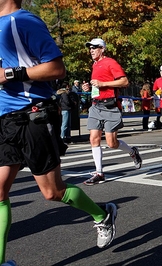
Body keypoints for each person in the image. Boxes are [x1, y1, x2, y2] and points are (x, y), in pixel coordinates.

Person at [0, 2, 117, 264]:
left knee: (52, 192)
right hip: (5, 120)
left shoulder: (23, 21)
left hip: (33, 115)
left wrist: (7, 74)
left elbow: (56, 69)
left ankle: (102, 214)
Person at [82, 38, 142, 185]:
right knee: (94, 139)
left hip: (110, 107)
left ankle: (132, 152)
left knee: (111, 143)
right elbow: (98, 86)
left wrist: (103, 84)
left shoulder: (110, 62)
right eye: (90, 48)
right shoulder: (95, 64)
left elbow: (124, 81)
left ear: (102, 49)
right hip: (96, 105)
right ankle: (99, 173)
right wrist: (89, 88)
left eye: (94, 47)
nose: (91, 50)